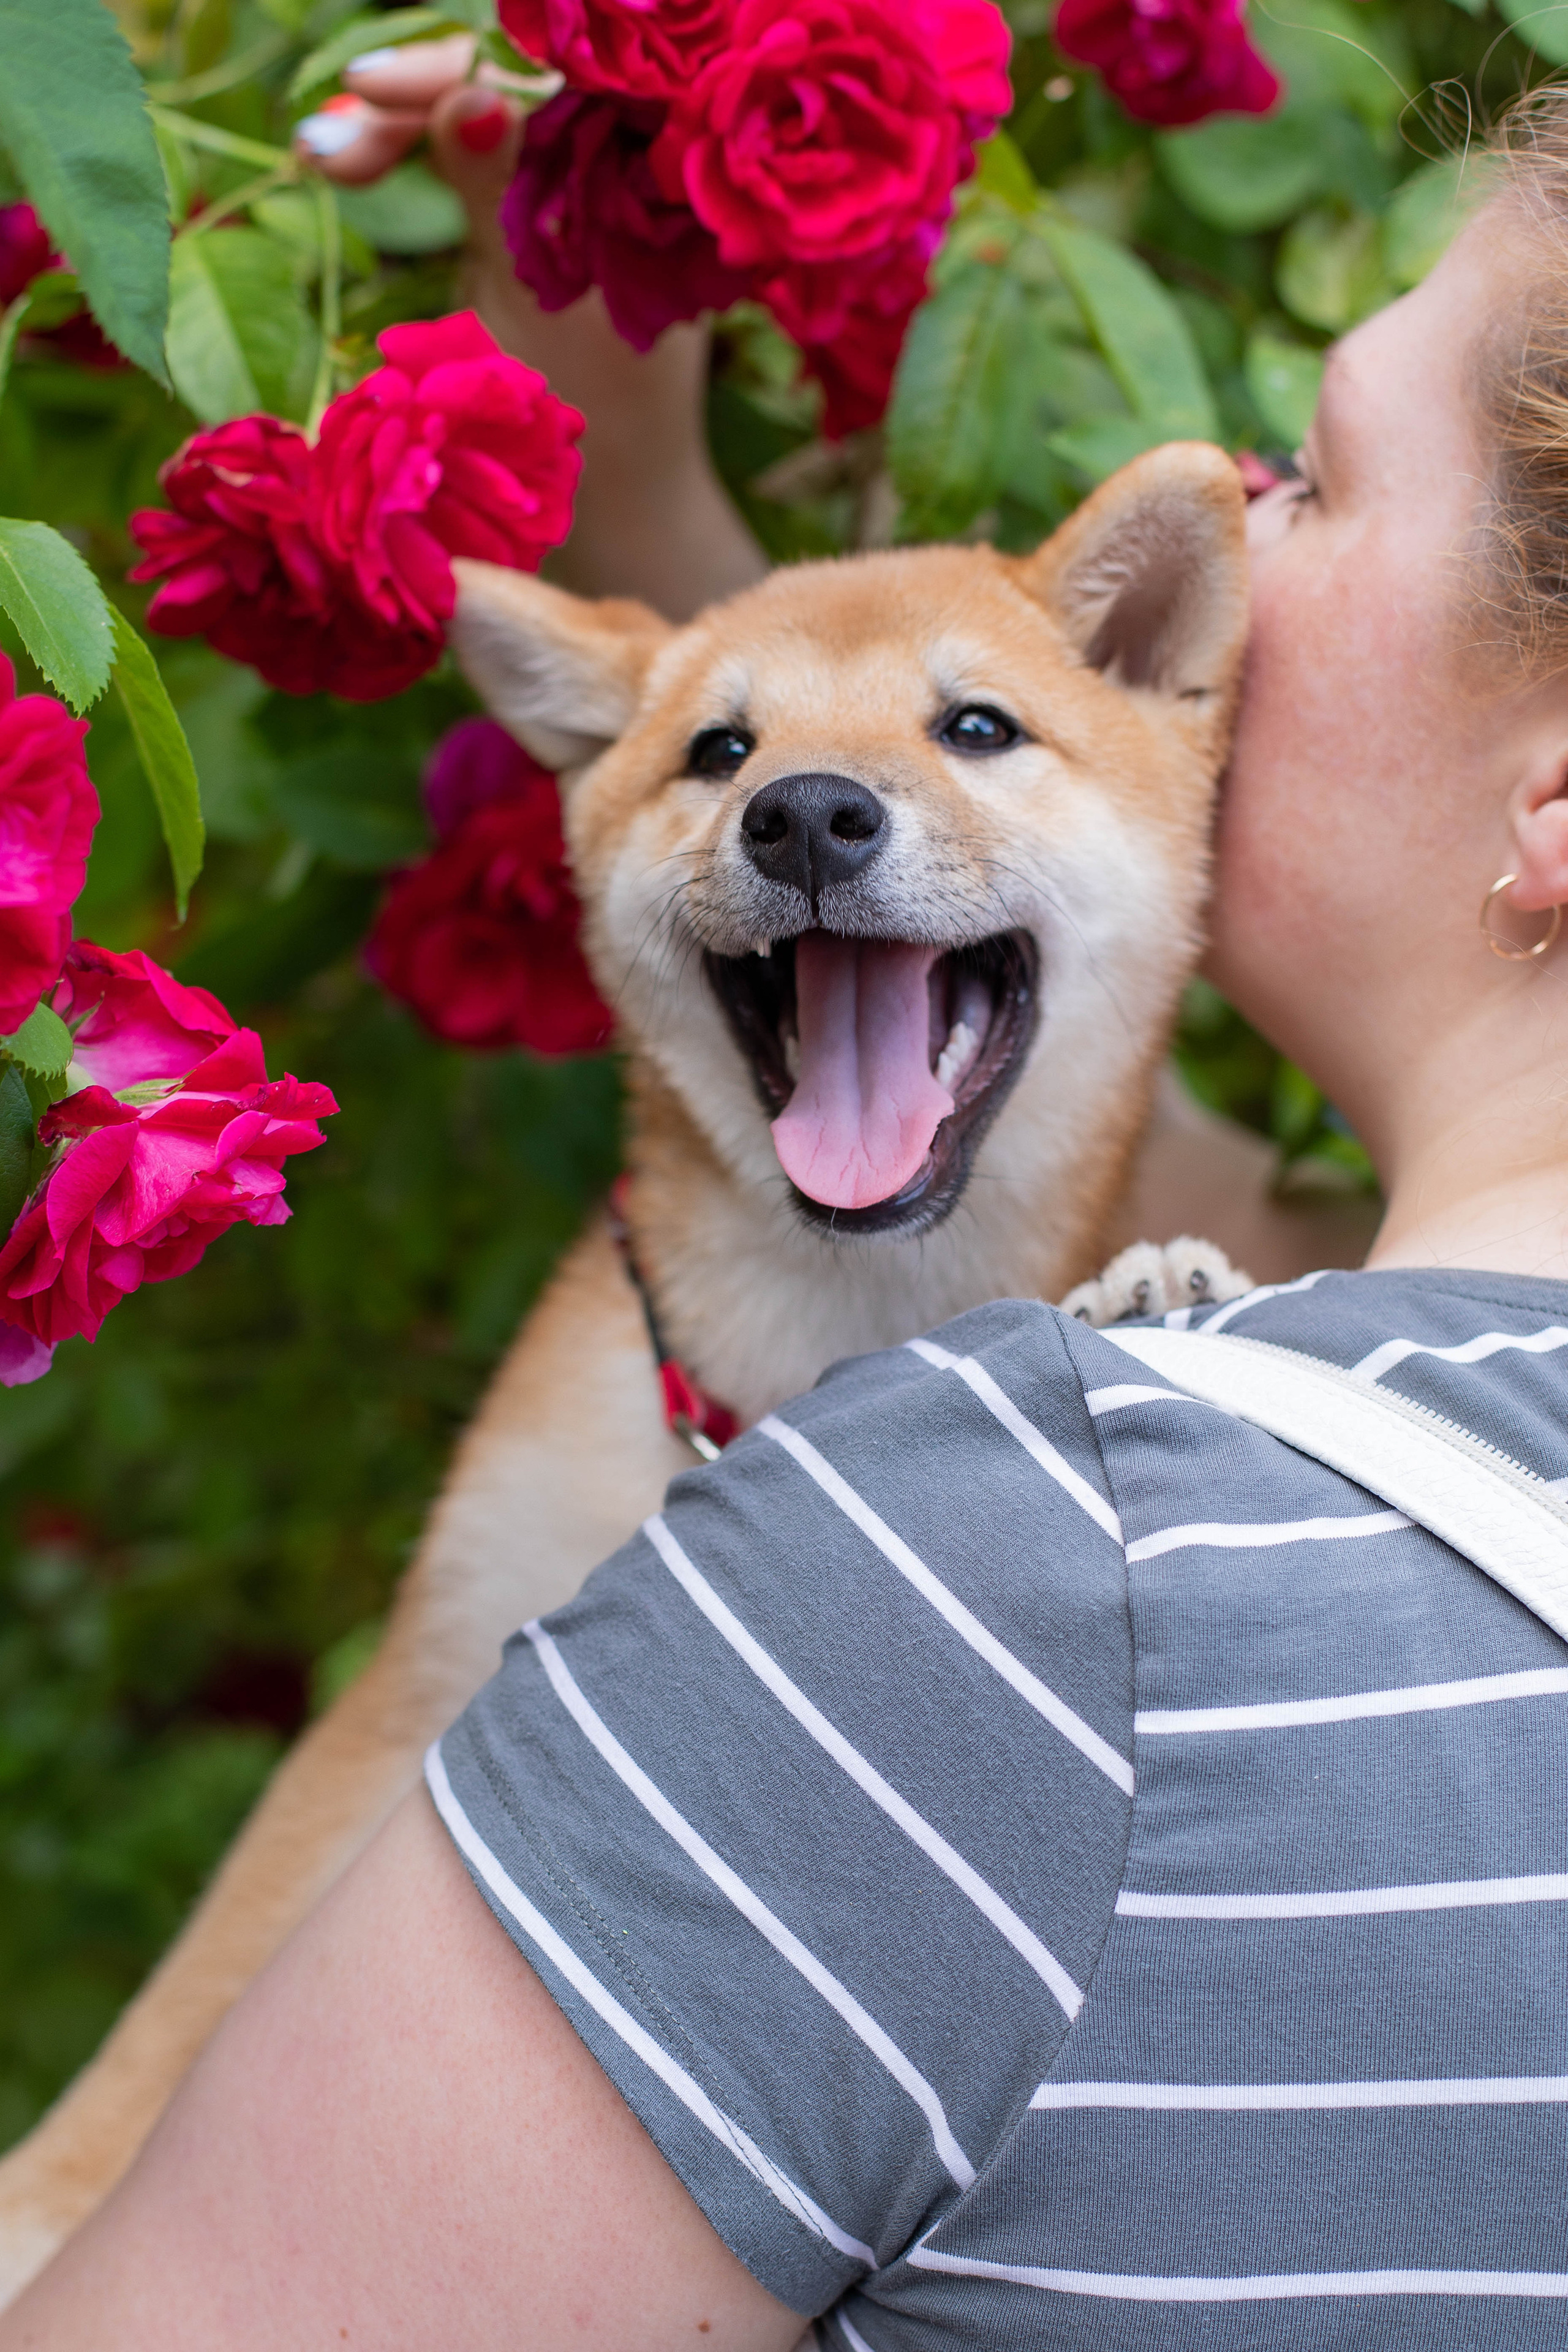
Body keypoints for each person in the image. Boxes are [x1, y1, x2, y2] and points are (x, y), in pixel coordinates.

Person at [7, 75, 1568, 2352]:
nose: (1234, 535)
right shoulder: (1347, 1429)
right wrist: (613, 297)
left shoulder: (1011, 1583)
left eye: (1313, 481)